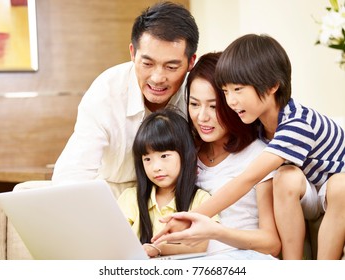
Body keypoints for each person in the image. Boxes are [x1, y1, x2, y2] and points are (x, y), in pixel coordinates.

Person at [153, 34, 345, 260]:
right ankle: (293, 268)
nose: (231, 102)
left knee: (338, 184)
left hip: (333, 187)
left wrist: (190, 218)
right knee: (287, 176)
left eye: (238, 90)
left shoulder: (297, 125)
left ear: (273, 85)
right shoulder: (257, 123)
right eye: (226, 92)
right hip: (309, 190)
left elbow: (248, 178)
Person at [52, 2, 199, 198]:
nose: (157, 78)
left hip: (178, 194)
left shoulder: (199, 92)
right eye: (147, 63)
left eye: (171, 67)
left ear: (191, 62)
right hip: (113, 193)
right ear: (132, 53)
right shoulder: (106, 92)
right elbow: (73, 173)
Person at [183, 52, 280, 259]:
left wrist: (217, 232)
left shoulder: (258, 155)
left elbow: (272, 243)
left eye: (213, 106)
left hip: (243, 260)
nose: (202, 117)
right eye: (194, 104)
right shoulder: (185, 154)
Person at [117, 108, 211, 257]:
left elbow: (201, 246)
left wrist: (158, 249)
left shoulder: (201, 200)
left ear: (186, 154)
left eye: (164, 156)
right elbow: (114, 240)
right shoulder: (130, 198)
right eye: (147, 159)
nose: (156, 167)